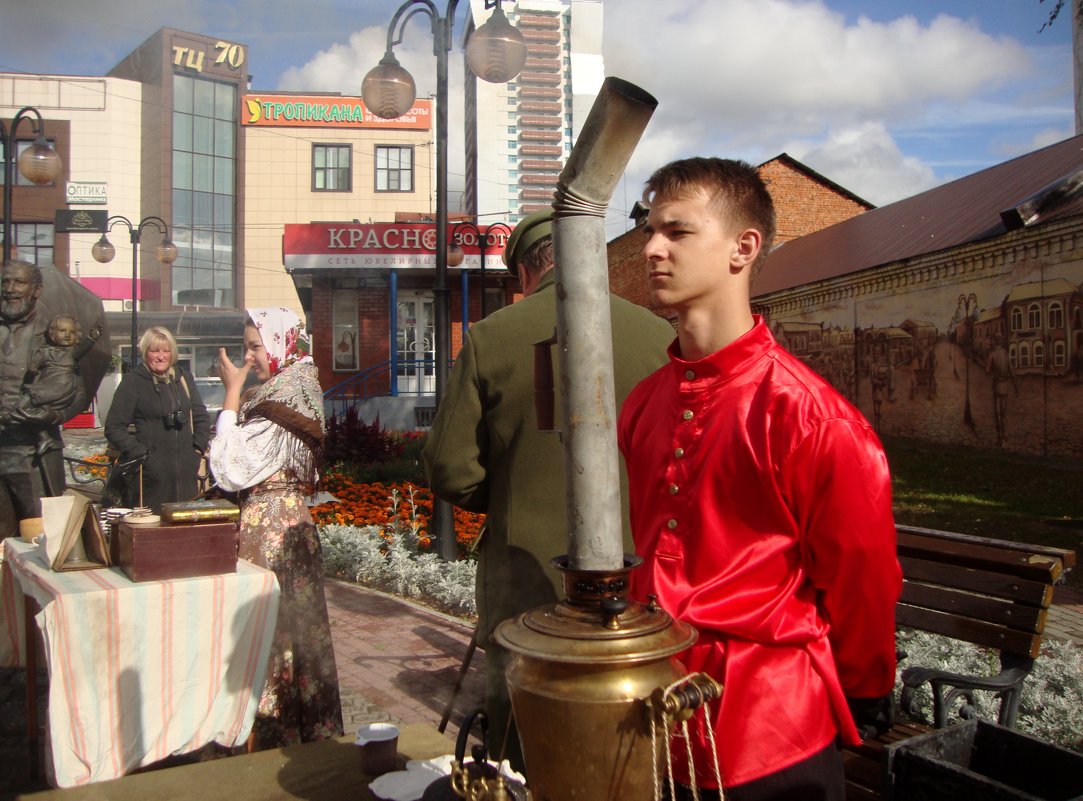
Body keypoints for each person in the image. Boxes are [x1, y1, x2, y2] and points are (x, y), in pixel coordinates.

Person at [618, 158, 901, 801]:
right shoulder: (642, 404)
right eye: (649, 232)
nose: (652, 249)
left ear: (743, 247)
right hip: (646, 720)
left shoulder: (810, 417)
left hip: (768, 733)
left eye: (678, 232)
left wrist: (866, 686)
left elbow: (861, 576)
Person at [422, 209, 674, 771]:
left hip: (525, 591)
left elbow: (448, 469)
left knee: (521, 757)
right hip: (638, 593)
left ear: (525, 275)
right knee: (629, 759)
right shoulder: (660, 336)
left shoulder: (493, 336)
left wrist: (510, 494)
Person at [208, 307, 343, 748]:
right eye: (246, 345)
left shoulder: (284, 398)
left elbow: (230, 468)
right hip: (284, 520)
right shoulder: (286, 390)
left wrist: (231, 396)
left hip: (272, 528)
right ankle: (298, 731)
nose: (249, 356)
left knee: (276, 633)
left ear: (282, 343)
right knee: (292, 632)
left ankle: (275, 735)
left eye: (255, 345)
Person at [104, 326, 210, 512]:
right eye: (155, 351)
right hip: (149, 480)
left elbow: (201, 417)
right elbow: (114, 428)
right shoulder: (133, 382)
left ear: (173, 353)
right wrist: (142, 455)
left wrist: (195, 450)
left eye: (166, 350)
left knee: (185, 529)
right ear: (146, 353)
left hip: (186, 477)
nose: (161, 356)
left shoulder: (183, 378)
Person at [0, 261, 67, 539]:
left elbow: (72, 385)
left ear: (36, 290)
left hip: (32, 453)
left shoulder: (55, 331)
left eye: (19, 283)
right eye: (5, 282)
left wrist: (51, 416)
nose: (10, 289)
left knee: (41, 539)